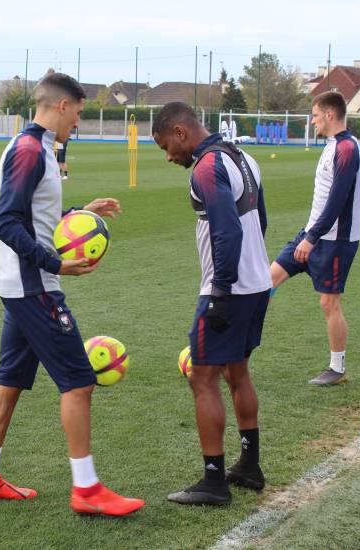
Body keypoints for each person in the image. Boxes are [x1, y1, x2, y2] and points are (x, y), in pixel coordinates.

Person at [0, 72, 144, 517]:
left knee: (8, 381)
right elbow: (6, 222)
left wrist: (79, 212)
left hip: (21, 287)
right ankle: (86, 489)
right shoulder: (29, 150)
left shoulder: (39, 147)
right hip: (35, 287)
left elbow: (36, 215)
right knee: (80, 382)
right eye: (80, 113)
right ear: (62, 105)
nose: (79, 123)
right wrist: (54, 264)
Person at [151, 102, 271, 506]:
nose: (169, 156)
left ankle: (214, 481)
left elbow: (227, 232)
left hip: (229, 291)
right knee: (238, 371)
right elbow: (262, 222)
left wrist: (219, 293)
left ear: (181, 132)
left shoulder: (205, 168)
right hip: (256, 285)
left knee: (202, 378)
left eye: (166, 145)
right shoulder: (245, 157)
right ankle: (249, 466)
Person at [271, 91, 360, 386]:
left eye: (314, 115)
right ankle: (234, 353)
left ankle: (337, 369)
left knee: (329, 303)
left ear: (329, 114)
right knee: (265, 281)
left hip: (335, 240)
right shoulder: (332, 146)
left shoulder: (348, 148)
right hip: (311, 234)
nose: (312, 121)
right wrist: (309, 235)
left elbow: (337, 202)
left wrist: (311, 238)